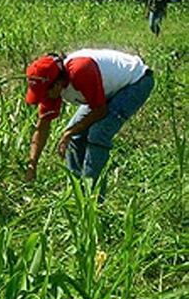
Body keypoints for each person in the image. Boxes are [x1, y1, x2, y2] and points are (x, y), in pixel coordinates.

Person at [24, 49, 154, 198]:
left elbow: (100, 111)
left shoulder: (80, 70)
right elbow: (42, 127)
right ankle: (77, 195)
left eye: (44, 93)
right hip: (105, 91)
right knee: (74, 137)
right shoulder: (50, 85)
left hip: (136, 82)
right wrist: (32, 165)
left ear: (58, 84)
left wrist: (70, 132)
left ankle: (95, 200)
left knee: (98, 133)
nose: (43, 98)